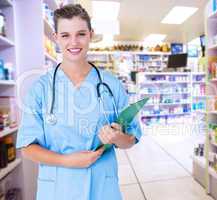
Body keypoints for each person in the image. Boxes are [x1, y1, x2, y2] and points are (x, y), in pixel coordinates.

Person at [16, 4, 141, 200]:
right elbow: (27, 148)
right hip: (58, 189)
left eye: (81, 34)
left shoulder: (111, 85)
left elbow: (131, 139)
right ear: (56, 38)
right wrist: (67, 161)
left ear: (91, 34)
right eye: (65, 35)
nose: (74, 42)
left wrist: (117, 138)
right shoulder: (41, 89)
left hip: (102, 187)